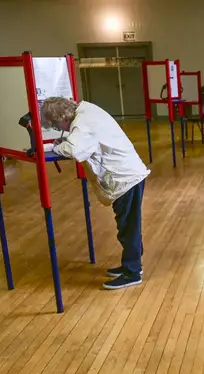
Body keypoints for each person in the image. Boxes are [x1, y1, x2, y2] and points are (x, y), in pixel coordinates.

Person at [41, 97, 150, 290]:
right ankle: (132, 264)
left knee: (128, 227)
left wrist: (58, 145)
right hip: (127, 176)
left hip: (124, 178)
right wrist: (64, 139)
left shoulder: (83, 123)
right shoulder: (86, 111)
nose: (62, 129)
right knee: (128, 224)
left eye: (59, 126)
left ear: (62, 118)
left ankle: (132, 272)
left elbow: (73, 149)